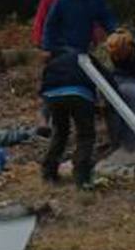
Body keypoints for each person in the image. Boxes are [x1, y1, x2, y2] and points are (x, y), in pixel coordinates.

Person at [40, 49, 97, 189]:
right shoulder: (85, 57)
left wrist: (44, 117)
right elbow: (105, 79)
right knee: (85, 135)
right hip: (80, 95)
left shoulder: (53, 63)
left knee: (60, 132)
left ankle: (48, 172)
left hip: (53, 96)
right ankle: (82, 177)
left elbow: (44, 88)